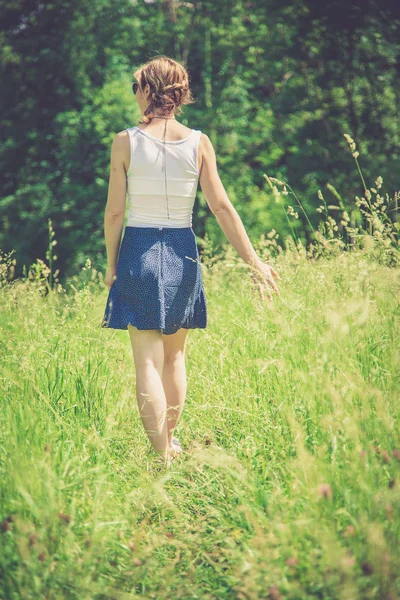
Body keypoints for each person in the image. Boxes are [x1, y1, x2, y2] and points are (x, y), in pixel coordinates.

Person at [101, 56, 280, 468]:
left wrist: (112, 264)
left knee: (145, 358)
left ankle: (161, 454)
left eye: (136, 87)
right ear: (179, 94)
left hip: (138, 249)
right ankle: (173, 439)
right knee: (175, 356)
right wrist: (254, 261)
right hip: (183, 253)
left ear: (148, 90)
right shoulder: (199, 142)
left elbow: (114, 213)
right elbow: (221, 207)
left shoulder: (125, 141)